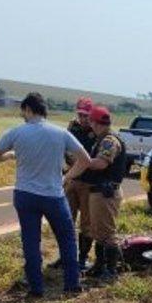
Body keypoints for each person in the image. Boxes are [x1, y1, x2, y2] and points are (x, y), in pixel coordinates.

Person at [0, 92, 91, 297]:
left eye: (23, 112)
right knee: (67, 238)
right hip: (53, 194)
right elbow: (85, 160)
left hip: (25, 194)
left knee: (31, 241)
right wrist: (67, 177)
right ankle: (72, 284)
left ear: (27, 109)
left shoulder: (16, 132)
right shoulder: (60, 133)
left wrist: (9, 155)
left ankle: (36, 288)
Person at [77, 105, 127, 281]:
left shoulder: (109, 141)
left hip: (106, 192)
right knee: (99, 231)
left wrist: (84, 161)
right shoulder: (102, 138)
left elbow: (101, 163)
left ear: (95, 123)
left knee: (106, 233)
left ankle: (111, 271)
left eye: (90, 121)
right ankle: (100, 266)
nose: (89, 124)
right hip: (99, 191)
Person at [50, 96, 95, 270]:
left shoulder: (97, 130)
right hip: (71, 179)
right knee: (66, 220)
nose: (83, 119)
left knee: (86, 224)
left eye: (86, 115)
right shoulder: (72, 127)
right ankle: (65, 256)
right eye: (80, 115)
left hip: (88, 182)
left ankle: (82, 260)